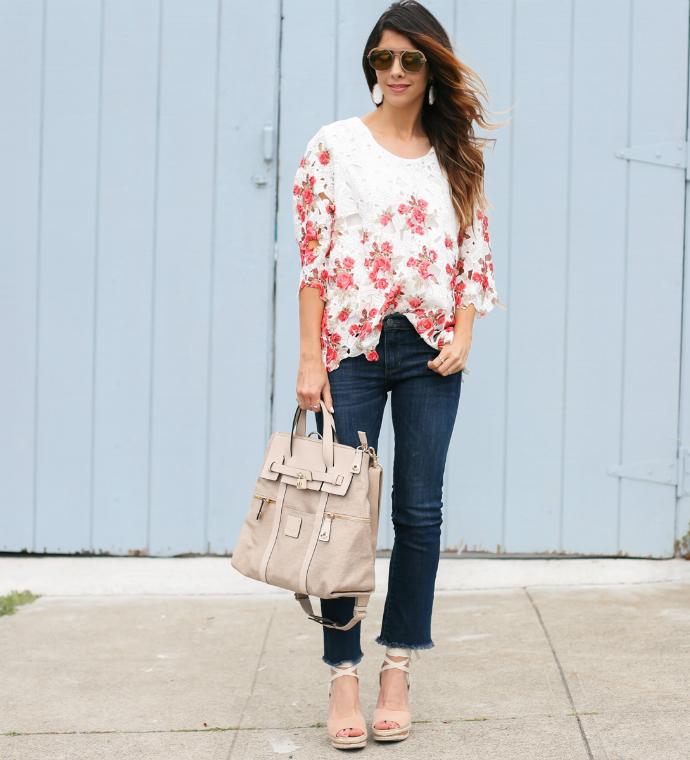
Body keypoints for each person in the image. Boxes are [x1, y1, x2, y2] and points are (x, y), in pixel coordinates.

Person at [292, 0, 501, 749]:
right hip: (350, 348)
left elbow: (474, 252)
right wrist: (310, 357)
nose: (397, 72)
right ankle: (342, 671)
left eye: (412, 59)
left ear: (431, 66)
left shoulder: (456, 154)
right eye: (384, 58)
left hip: (429, 352)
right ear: (371, 67)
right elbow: (314, 258)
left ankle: (398, 665)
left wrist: (466, 334)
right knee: (345, 515)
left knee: (419, 513)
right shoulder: (334, 146)